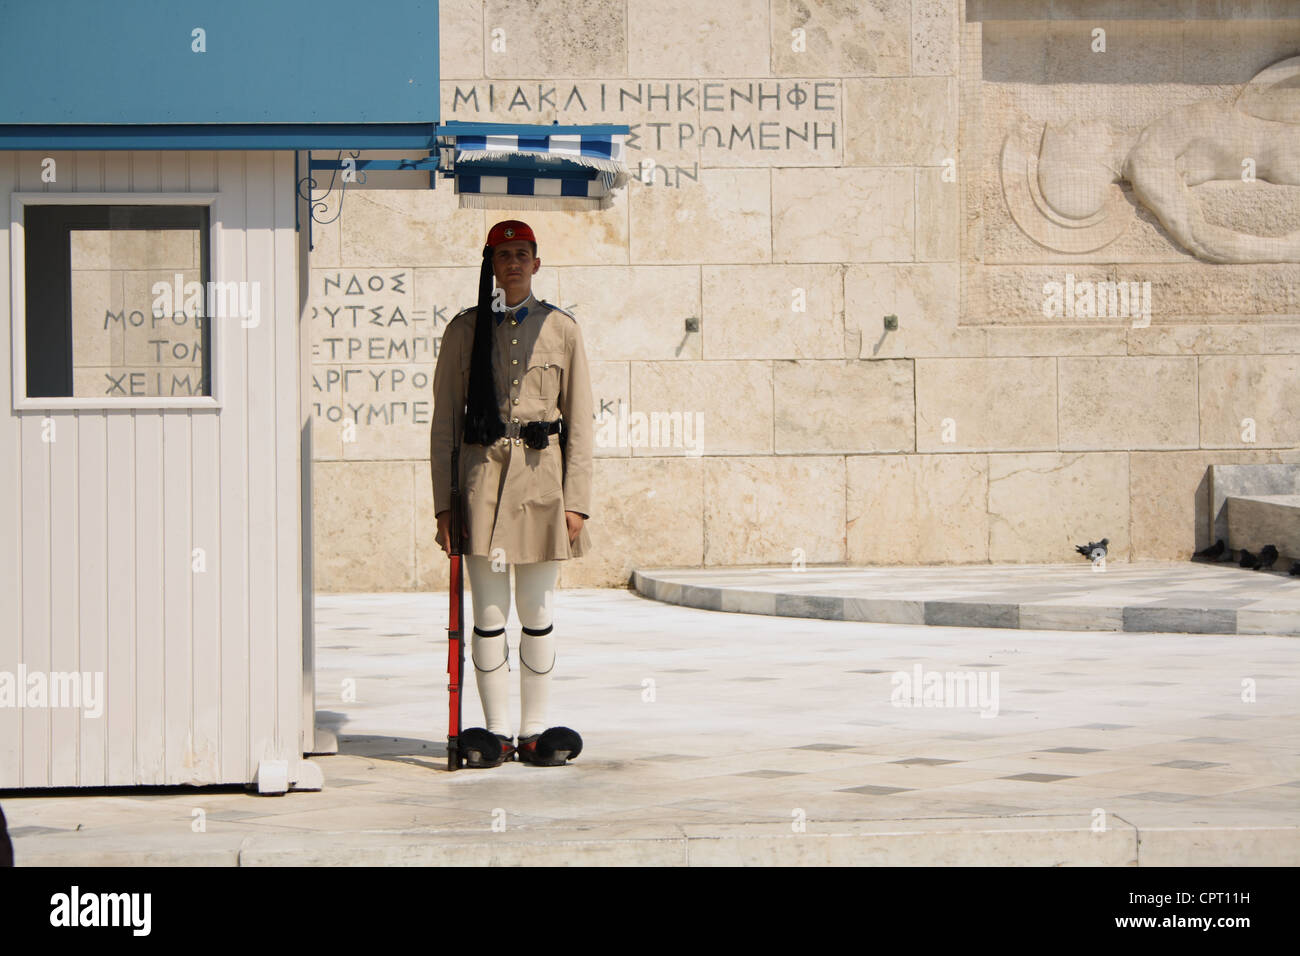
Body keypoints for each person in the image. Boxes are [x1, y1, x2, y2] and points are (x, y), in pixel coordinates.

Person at [430, 219, 593, 767]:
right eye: (504, 256)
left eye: (523, 254)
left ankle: (534, 730)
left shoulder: (562, 330)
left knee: (537, 610)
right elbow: (445, 425)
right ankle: (497, 732)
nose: (514, 264)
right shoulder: (465, 331)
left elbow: (582, 422)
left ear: (537, 264)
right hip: (481, 486)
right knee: (490, 612)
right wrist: (445, 504)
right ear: (491, 265)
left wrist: (576, 501)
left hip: (543, 485)